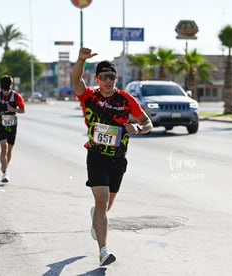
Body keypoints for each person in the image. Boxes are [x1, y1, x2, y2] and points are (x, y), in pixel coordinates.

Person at [72, 47, 153, 266]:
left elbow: (148, 123)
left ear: (116, 78)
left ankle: (97, 221)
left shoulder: (126, 99)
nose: (108, 81)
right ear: (97, 79)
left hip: (118, 159)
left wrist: (138, 128)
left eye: (112, 77)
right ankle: (103, 251)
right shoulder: (89, 97)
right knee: (101, 200)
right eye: (104, 77)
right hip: (96, 156)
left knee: (107, 204)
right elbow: (76, 80)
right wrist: (81, 60)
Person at [0, 75, 25, 183]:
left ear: (11, 86)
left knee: (10, 149)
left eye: (7, 90)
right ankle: (5, 172)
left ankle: (4, 166)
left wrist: (13, 109)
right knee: (4, 146)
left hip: (11, 121)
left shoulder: (17, 96)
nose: (5, 92)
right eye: (3, 90)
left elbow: (23, 110)